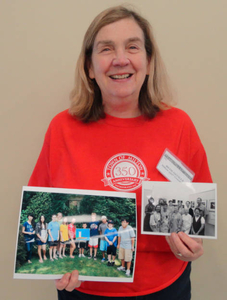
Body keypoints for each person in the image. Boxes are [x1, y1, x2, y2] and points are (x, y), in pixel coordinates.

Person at [28, 5, 212, 300]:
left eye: (132, 47)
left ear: (149, 61)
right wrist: (51, 264)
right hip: (83, 291)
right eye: (106, 49)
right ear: (89, 66)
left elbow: (199, 217)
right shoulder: (62, 128)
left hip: (165, 289)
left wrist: (192, 245)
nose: (120, 59)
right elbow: (39, 214)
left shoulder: (179, 125)